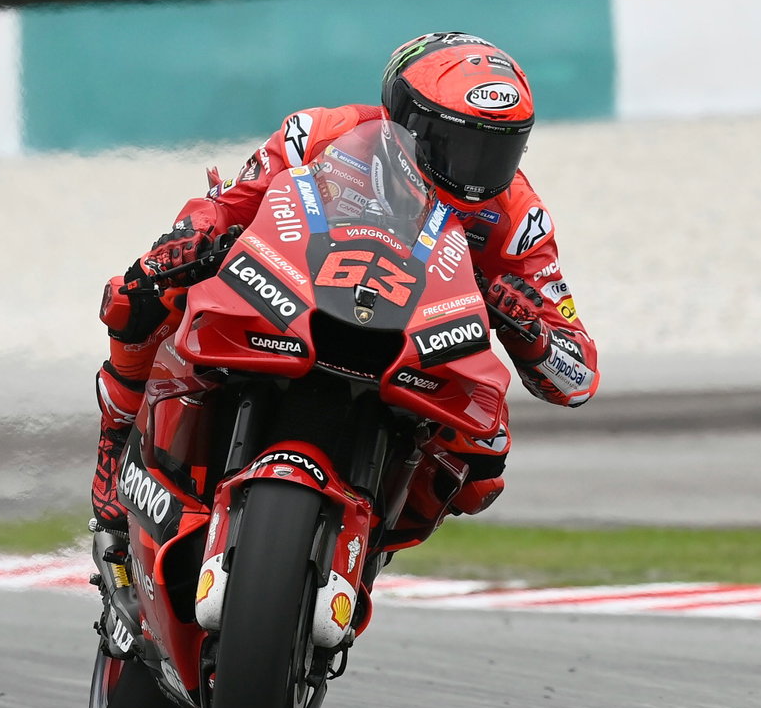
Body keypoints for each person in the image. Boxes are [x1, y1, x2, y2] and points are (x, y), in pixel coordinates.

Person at [90, 31, 599, 534]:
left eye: (497, 153)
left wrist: (532, 332)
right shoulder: (318, 133)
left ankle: (373, 538)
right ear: (406, 120)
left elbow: (577, 376)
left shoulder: (517, 216)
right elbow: (228, 205)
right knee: (140, 292)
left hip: (417, 343)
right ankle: (115, 440)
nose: (477, 171)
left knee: (483, 464)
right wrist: (192, 236)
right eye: (457, 145)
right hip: (292, 296)